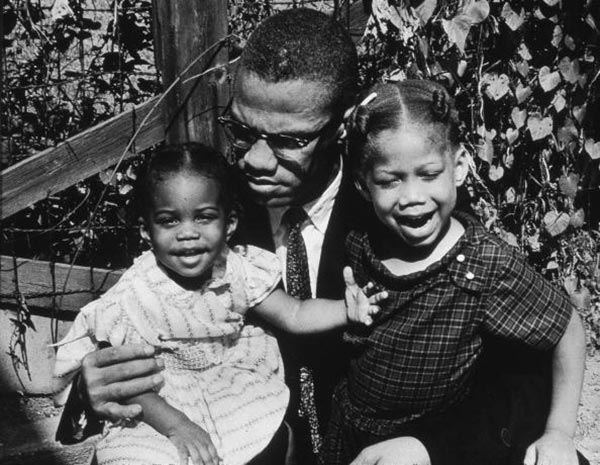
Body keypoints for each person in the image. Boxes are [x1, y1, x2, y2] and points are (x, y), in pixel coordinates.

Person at [55, 8, 371, 465]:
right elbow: (138, 335)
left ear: (341, 127)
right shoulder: (199, 210)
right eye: (243, 131)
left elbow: (494, 375)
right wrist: (94, 387)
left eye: (289, 141)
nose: (258, 160)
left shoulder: (394, 218)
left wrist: (423, 445)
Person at [52, 143, 385, 465]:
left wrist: (345, 309)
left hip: (230, 388)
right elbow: (130, 381)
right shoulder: (138, 293)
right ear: (146, 230)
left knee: (260, 440)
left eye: (204, 217)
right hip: (158, 400)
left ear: (230, 225)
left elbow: (294, 313)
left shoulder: (238, 269)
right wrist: (177, 426)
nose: (187, 233)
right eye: (169, 220)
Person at [318, 79, 589, 465]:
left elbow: (567, 327)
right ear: (363, 185)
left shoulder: (483, 263)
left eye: (428, 174)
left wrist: (559, 433)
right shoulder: (362, 241)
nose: (412, 197)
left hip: (429, 444)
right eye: (390, 180)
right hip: (350, 432)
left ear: (459, 166)